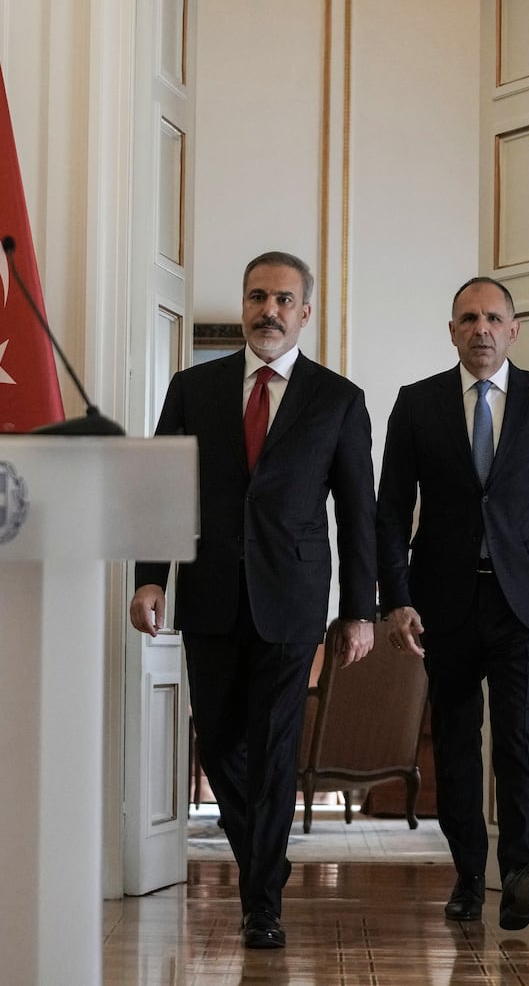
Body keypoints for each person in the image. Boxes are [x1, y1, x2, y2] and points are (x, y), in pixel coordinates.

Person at [129, 251, 376, 950]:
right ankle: (267, 855)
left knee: (272, 748)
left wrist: (360, 609)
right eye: (258, 296)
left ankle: (260, 900)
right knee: (218, 737)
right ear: (244, 305)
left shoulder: (338, 399)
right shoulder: (193, 387)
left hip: (293, 600)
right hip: (209, 593)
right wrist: (150, 576)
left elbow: (360, 512)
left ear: (305, 311)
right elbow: (160, 489)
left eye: (284, 299)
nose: (270, 310)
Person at [375, 276, 529, 931]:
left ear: (514, 329)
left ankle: (522, 872)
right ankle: (469, 874)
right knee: (458, 742)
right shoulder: (417, 404)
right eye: (469, 318)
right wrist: (396, 600)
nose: (482, 329)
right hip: (446, 601)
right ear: (453, 330)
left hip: (527, 603)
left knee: (519, 735)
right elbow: (388, 514)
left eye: (494, 317)